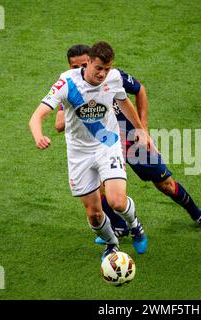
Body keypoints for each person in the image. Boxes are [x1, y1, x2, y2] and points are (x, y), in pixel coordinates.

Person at [56, 45, 201, 245]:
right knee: (100, 188)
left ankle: (199, 216)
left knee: (165, 184)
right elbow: (59, 124)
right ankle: (119, 226)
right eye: (75, 66)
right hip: (99, 146)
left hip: (129, 138)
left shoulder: (110, 76)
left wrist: (142, 129)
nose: (80, 68)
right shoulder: (71, 88)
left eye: (84, 64)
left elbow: (139, 90)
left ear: (92, 61)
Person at [29, 41, 149, 260]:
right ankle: (112, 244)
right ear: (89, 63)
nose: (103, 74)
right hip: (78, 153)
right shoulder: (66, 81)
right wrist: (39, 136)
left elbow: (124, 102)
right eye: (99, 68)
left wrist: (141, 129)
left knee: (117, 201)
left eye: (107, 68)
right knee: (94, 215)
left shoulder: (113, 78)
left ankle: (135, 225)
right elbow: (37, 116)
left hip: (107, 144)